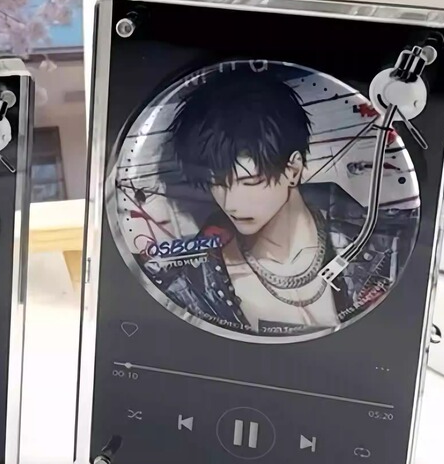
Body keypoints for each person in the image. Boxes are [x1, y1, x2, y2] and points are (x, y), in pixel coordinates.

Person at [149, 64, 417, 337]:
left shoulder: (386, 241)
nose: (231, 203)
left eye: (250, 181)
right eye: (216, 184)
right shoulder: (192, 286)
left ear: (293, 169)